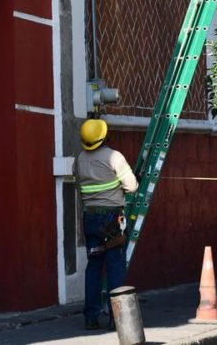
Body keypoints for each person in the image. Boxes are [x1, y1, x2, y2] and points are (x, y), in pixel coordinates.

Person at [74, 117, 138, 330]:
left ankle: (90, 318)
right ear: (104, 137)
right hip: (111, 218)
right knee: (114, 266)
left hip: (90, 218)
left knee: (93, 267)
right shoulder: (114, 157)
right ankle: (116, 317)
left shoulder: (80, 159)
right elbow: (132, 186)